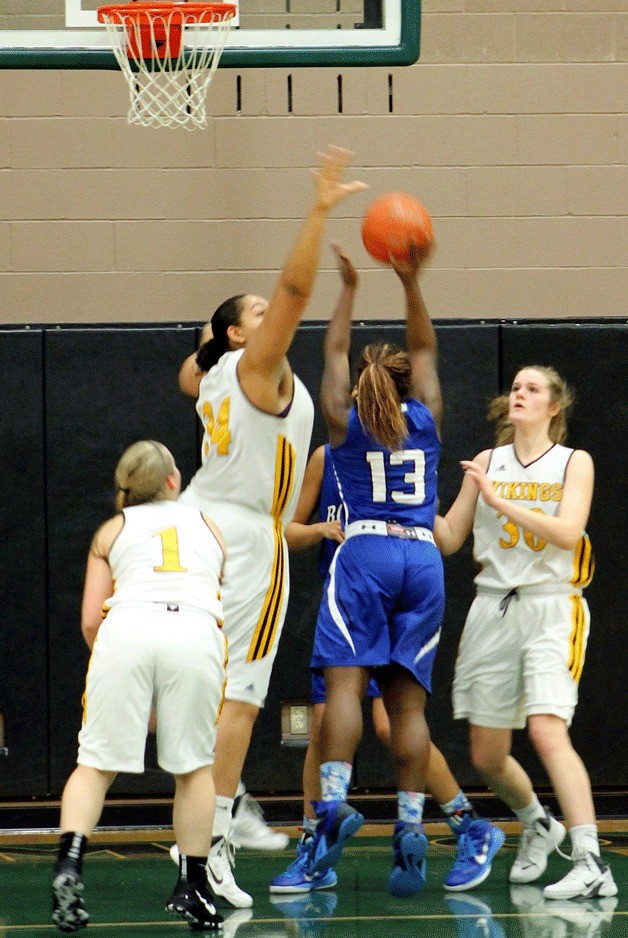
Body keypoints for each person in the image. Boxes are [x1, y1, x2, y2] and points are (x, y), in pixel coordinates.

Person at [271, 246, 504, 896]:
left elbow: (334, 351)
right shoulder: (426, 420)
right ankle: (409, 825)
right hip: (421, 556)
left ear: (360, 387)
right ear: (407, 382)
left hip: (366, 553)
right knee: (406, 706)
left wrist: (345, 290)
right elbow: (425, 350)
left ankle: (337, 805)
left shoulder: (342, 425)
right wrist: (410, 281)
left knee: (343, 696)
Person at [174, 146, 367, 909]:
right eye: (253, 315)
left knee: (205, 698)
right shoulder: (254, 368)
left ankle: (208, 822)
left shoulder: (211, 375)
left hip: (194, 527)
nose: (271, 313)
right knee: (241, 704)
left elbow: (186, 368)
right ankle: (214, 839)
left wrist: (212, 334)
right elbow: (294, 284)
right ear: (237, 337)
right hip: (245, 543)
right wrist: (319, 209)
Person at [434, 366, 618, 901]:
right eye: (515, 387)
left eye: (532, 389)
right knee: (487, 754)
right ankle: (538, 823)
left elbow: (567, 532)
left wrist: (502, 502)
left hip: (551, 607)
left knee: (545, 729)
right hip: (492, 607)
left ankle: (590, 862)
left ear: (554, 406)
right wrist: (408, 510)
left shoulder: (572, 462)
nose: (520, 394)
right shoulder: (487, 463)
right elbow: (450, 537)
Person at [51, 441, 228, 932]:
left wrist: (126, 683)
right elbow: (213, 593)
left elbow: (91, 621)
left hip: (126, 628)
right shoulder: (210, 527)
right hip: (194, 632)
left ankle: (69, 864)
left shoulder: (112, 529)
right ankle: (192, 888)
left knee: (94, 767)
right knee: (194, 770)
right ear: (174, 481)